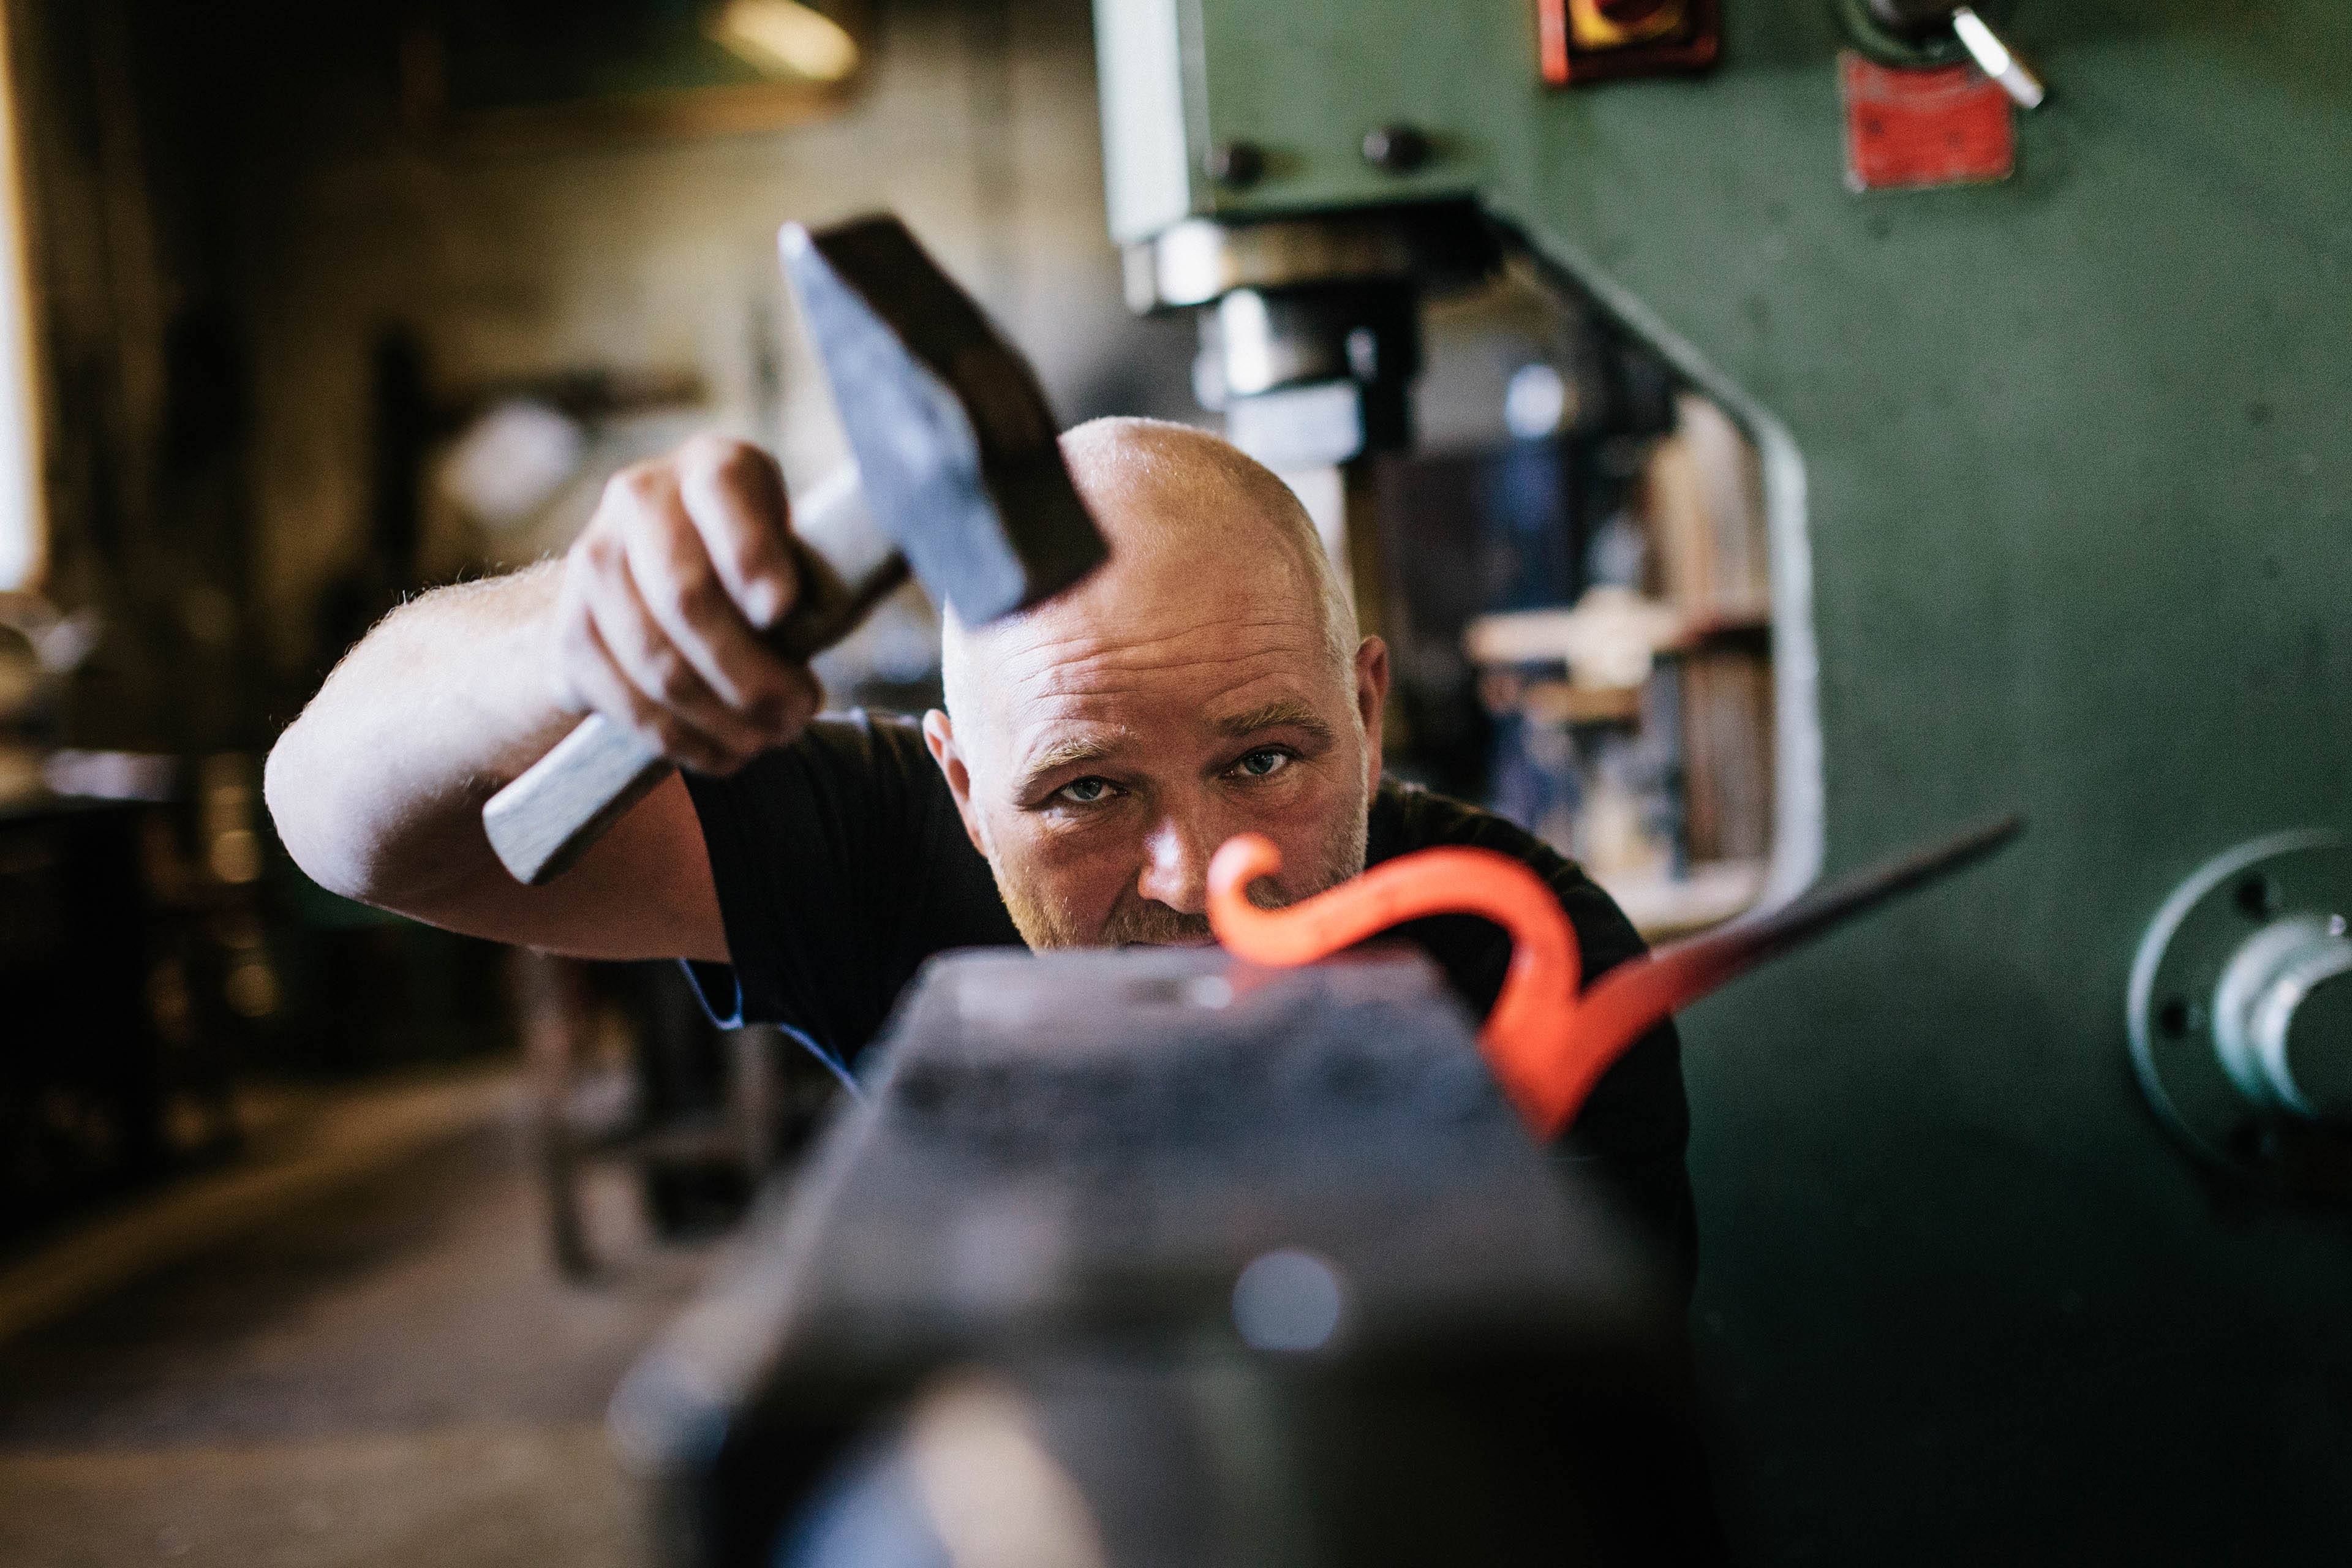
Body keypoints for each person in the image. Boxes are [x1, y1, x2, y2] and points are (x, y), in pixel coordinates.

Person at [265, 417, 1695, 1289]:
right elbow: (342, 819)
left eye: (1264, 759)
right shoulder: (882, 842)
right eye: (1083, 790)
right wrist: (580, 632)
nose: (1192, 872)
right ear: (961, 781)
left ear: (1367, 715)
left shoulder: (1528, 946)